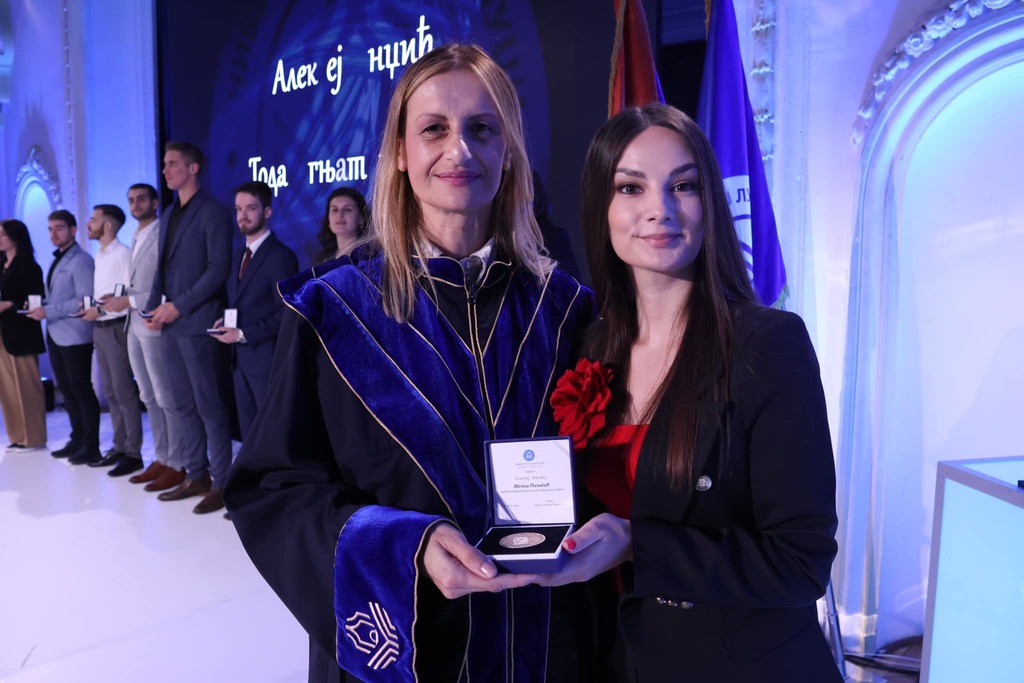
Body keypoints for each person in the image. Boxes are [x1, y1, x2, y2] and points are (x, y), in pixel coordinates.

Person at [225, 43, 596, 683]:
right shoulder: (331, 310)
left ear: (509, 152)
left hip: (545, 645)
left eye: (482, 129)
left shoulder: (564, 310)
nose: (460, 150)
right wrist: (405, 545)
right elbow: (273, 491)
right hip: (411, 646)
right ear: (400, 152)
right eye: (434, 129)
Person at [543, 103, 841, 682]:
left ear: (710, 205)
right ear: (602, 207)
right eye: (631, 187)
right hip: (624, 661)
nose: (660, 209)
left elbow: (801, 561)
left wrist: (638, 545)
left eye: (683, 185)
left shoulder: (768, 345)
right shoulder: (587, 344)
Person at [145, 141, 235, 515]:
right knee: (182, 404)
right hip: (170, 325)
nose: (165, 170)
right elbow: (162, 268)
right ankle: (195, 474)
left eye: (172, 164)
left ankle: (222, 483)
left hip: (198, 323)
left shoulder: (213, 211)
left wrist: (178, 306)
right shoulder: (169, 213)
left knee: (209, 406)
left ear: (193, 168)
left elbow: (218, 269)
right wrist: (153, 306)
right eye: (165, 164)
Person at [101, 183, 186, 491]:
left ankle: (178, 462)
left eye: (141, 199)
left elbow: (164, 282)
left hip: (153, 322)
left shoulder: (163, 233)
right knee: (147, 395)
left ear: (154, 202)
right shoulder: (136, 236)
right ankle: (162, 457)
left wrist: (129, 300)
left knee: (165, 396)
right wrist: (119, 296)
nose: (135, 205)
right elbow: (137, 281)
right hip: (133, 324)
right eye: (131, 200)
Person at [211, 180, 298, 442]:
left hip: (266, 361)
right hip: (239, 361)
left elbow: (285, 314)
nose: (243, 215)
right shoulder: (238, 255)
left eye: (251, 208)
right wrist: (225, 322)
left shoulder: (281, 256)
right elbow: (240, 302)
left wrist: (242, 334)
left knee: (272, 436)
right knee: (250, 437)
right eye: (238, 209)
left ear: (267, 212)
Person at [27, 210, 100, 464]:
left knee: (81, 389)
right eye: (50, 229)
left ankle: (91, 445)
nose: (53, 234)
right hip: (57, 332)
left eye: (59, 228)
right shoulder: (58, 259)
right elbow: (59, 296)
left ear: (73, 230)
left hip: (76, 333)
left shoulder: (81, 260)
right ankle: (77, 438)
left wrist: (48, 311)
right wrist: (41, 304)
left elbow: (84, 299)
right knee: (67, 390)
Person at [79, 204, 144, 477]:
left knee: (123, 391)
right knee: (110, 391)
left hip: (116, 326)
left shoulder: (123, 254)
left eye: (93, 219)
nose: (88, 223)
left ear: (107, 225)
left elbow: (128, 295)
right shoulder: (101, 254)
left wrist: (102, 310)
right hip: (100, 327)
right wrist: (94, 309)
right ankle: (119, 446)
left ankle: (134, 453)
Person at [0, 219, 48, 452]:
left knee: (27, 387)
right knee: (7, 388)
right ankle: (18, 435)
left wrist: (10, 304)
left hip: (22, 333)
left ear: (15, 236)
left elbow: (36, 300)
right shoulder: (1, 264)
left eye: (2, 234)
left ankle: (34, 437)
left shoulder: (28, 266)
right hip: (3, 333)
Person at [315, 186, 368, 263]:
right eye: (335, 209)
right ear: (328, 220)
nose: (339, 215)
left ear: (361, 219)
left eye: (347, 209)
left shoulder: (370, 257)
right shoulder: (323, 260)